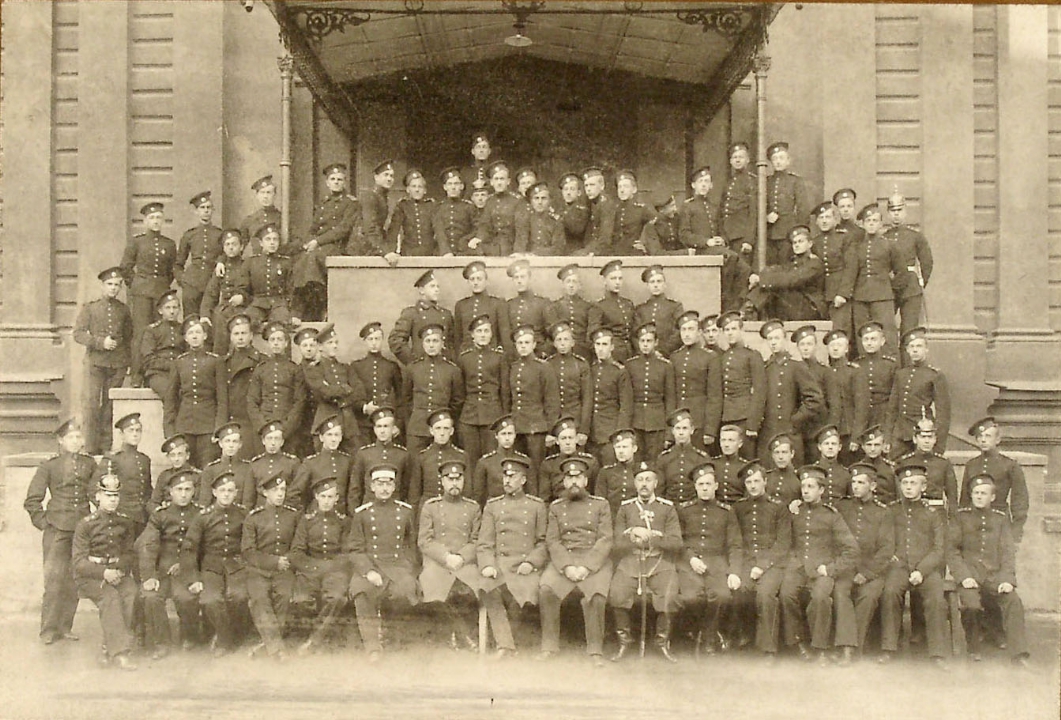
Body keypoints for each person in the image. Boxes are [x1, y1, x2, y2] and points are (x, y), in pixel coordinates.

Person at [24, 419, 97, 645]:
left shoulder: (90, 464)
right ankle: (48, 629)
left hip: (80, 529)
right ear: (61, 441)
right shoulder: (50, 466)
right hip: (56, 529)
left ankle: (66, 626)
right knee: (54, 580)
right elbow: (32, 500)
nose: (75, 441)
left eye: (78, 437)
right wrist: (45, 523)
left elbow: (96, 493)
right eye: (70, 437)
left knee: (74, 579)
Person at [779, 465, 858, 665]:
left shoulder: (831, 515)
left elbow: (852, 549)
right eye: (803, 486)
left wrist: (831, 569)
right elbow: (784, 541)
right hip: (797, 567)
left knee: (820, 598)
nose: (805, 491)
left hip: (822, 568)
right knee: (786, 594)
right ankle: (798, 643)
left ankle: (820, 647)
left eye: (811, 487)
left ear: (821, 490)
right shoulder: (794, 512)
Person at [948, 474, 1030, 667]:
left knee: (1013, 601)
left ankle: (1019, 652)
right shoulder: (961, 517)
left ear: (992, 497)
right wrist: (963, 576)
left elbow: (1007, 552)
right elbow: (952, 551)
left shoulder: (1000, 519)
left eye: (983, 493)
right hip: (970, 575)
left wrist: (1007, 579)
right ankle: (973, 647)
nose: (978, 496)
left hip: (994, 576)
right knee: (971, 606)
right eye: (975, 493)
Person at [539, 456, 614, 666]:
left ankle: (595, 650)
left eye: (578, 477)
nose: (574, 482)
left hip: (593, 561)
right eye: (569, 478)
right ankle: (549, 646)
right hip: (565, 560)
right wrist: (566, 567)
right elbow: (553, 541)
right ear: (564, 482)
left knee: (596, 596)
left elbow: (605, 539)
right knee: (546, 590)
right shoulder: (556, 507)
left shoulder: (601, 505)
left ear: (586, 481)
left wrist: (587, 567)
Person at [609, 463, 683, 662]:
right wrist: (632, 534)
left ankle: (662, 642)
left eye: (648, 480)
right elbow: (616, 542)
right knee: (617, 593)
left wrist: (651, 537)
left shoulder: (667, 508)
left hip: (659, 561)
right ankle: (624, 642)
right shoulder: (626, 508)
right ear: (634, 483)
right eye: (640, 480)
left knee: (669, 595)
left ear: (655, 483)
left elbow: (676, 542)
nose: (644, 484)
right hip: (631, 560)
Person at [345, 464, 420, 661]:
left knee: (404, 591)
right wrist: (368, 571)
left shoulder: (405, 512)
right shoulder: (362, 513)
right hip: (371, 565)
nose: (384, 488)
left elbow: (411, 546)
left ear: (394, 486)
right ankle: (373, 648)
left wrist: (407, 569)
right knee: (362, 592)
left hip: (397, 566)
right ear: (372, 486)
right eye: (380, 484)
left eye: (388, 484)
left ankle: (393, 640)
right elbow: (355, 548)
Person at [879, 463, 949, 668]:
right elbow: (885, 541)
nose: (908, 487)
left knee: (936, 599)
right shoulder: (891, 510)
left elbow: (939, 548)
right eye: (905, 483)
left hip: (926, 569)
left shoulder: (933, 513)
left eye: (913, 483)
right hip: (899, 567)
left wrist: (921, 570)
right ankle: (888, 648)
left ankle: (937, 653)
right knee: (890, 592)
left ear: (923, 487)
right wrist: (893, 558)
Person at [477, 456, 548, 656]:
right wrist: (488, 565)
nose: (507, 480)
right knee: (487, 588)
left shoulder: (537, 506)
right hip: (500, 564)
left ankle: (509, 644)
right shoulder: (493, 506)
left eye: (512, 476)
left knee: (523, 594)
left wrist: (531, 562)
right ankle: (506, 645)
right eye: (505, 476)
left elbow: (543, 542)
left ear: (523, 480)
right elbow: (484, 543)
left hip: (525, 564)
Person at [72, 472, 139, 670]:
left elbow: (129, 553)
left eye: (116, 495)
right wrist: (104, 573)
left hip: (117, 573)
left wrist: (118, 570)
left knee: (131, 593)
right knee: (110, 598)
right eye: (108, 495)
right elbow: (79, 562)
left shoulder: (125, 522)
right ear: (98, 496)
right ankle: (119, 653)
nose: (112, 500)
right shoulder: (86, 524)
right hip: (91, 577)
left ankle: (107, 647)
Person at [677, 462, 743, 656]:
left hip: (717, 562)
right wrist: (691, 558)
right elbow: (678, 541)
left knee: (722, 596)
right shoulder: (684, 510)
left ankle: (707, 636)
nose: (704, 488)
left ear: (716, 486)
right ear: (695, 487)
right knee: (690, 597)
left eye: (708, 484)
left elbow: (735, 545)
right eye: (700, 484)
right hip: (690, 563)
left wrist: (734, 571)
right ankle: (704, 631)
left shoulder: (727, 511)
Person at [182, 470, 250, 657]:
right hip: (211, 566)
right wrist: (193, 578)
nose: (226, 494)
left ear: (236, 493)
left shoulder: (243, 514)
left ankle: (232, 635)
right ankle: (225, 638)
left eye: (230, 490)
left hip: (236, 565)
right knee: (210, 599)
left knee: (239, 596)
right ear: (214, 492)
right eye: (222, 490)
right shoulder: (203, 517)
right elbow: (189, 549)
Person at [417, 460, 483, 650]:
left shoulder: (473, 508)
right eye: (450, 479)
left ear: (463, 481)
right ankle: (460, 637)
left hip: (464, 564)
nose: (454, 483)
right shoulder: (430, 507)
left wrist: (461, 557)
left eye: (458, 479)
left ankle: (459, 636)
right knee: (435, 591)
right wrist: (446, 557)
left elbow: (477, 540)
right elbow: (424, 541)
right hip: (438, 563)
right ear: (442, 481)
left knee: (470, 591)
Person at [136, 468, 202, 658]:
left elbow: (204, 547)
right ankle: (162, 642)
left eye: (188, 489)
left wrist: (189, 569)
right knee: (151, 597)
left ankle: (189, 636)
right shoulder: (160, 515)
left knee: (186, 597)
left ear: (194, 491)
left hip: (188, 570)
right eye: (179, 489)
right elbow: (148, 545)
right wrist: (149, 576)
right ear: (170, 492)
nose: (183, 494)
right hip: (163, 569)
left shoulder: (200, 514)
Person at [731, 461, 791, 660]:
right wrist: (736, 570)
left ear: (765, 481)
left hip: (772, 564)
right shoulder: (738, 507)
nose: (753, 486)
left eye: (757, 481)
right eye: (749, 482)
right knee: (738, 590)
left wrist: (762, 565)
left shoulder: (778, 507)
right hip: (747, 562)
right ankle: (746, 635)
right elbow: (735, 541)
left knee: (765, 595)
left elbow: (783, 544)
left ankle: (769, 648)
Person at [834, 463, 894, 655]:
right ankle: (846, 648)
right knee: (840, 593)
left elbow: (886, 549)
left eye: (861, 483)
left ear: (873, 486)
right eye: (853, 482)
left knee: (867, 597)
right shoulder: (842, 507)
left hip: (872, 570)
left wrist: (866, 573)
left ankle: (854, 648)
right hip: (846, 568)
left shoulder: (883, 512)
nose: (856, 486)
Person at [73, 266, 134, 454]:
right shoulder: (90, 308)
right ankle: (91, 448)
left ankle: (106, 447)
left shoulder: (123, 310)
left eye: (117, 285)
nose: (113, 288)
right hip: (95, 363)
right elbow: (78, 334)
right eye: (109, 284)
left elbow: (129, 337)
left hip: (117, 364)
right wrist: (100, 342)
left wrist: (127, 363)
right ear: (102, 286)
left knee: (110, 406)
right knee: (91, 404)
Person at [289, 476, 352, 655]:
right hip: (310, 568)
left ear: (336, 499)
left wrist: (332, 567)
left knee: (337, 598)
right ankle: (316, 633)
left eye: (330, 497)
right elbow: (296, 551)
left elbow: (347, 552)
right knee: (301, 600)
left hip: (335, 569)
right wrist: (312, 568)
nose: (326, 501)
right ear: (316, 497)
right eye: (323, 496)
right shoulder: (306, 521)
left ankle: (315, 640)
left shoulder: (344, 521)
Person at [241, 472, 300, 660]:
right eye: (275, 490)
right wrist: (274, 562)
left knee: (284, 596)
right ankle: (277, 649)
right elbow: (248, 551)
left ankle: (268, 645)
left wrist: (286, 561)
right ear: (265, 493)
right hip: (259, 570)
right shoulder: (253, 518)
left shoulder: (293, 515)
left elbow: (298, 546)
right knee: (260, 599)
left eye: (282, 489)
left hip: (284, 569)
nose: (280, 494)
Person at [291, 163, 359, 320]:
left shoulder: (350, 203)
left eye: (339, 179)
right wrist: (308, 243)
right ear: (327, 183)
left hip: (336, 246)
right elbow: (313, 228)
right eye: (333, 179)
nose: (336, 182)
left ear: (345, 182)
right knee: (300, 260)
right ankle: (303, 309)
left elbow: (343, 229)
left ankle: (318, 308)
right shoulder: (324, 203)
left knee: (312, 260)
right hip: (319, 246)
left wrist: (317, 242)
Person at [121, 202, 178, 385]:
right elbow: (126, 267)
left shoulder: (169, 244)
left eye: (159, 217)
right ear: (145, 221)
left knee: (161, 332)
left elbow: (171, 270)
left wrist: (162, 285)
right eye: (152, 218)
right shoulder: (137, 242)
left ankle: (155, 373)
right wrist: (137, 285)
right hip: (142, 294)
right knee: (140, 333)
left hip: (161, 293)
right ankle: (137, 375)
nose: (156, 221)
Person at [164, 315, 228, 468]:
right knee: (185, 470)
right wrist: (170, 431)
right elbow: (170, 398)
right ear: (185, 338)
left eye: (198, 332)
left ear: (205, 336)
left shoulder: (215, 361)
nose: (194, 336)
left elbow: (222, 399)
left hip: (208, 426)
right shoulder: (179, 362)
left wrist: (219, 429)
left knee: (207, 469)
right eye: (190, 333)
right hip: (184, 426)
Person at [758, 319, 823, 467]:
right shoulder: (765, 368)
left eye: (777, 338)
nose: (773, 342)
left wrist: (796, 420)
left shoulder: (797, 367)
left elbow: (815, 399)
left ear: (785, 339)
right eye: (770, 339)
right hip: (768, 435)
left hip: (791, 434)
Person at [840, 204, 904, 354]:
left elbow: (902, 272)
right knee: (862, 333)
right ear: (863, 224)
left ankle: (890, 363)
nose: (871, 224)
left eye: (875, 221)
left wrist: (890, 290)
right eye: (868, 221)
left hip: (883, 297)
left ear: (881, 224)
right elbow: (851, 272)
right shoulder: (857, 247)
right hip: (860, 297)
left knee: (887, 333)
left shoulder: (889, 245)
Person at [961, 417, 1030, 542]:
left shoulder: (1010, 465)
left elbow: (1020, 499)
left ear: (997, 439)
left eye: (988, 436)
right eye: (980, 436)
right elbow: (964, 499)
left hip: (999, 523)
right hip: (974, 523)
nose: (983, 440)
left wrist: (1016, 529)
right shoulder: (971, 465)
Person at [247, 322, 309, 458]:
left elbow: (300, 401)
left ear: (286, 343)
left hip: (287, 426)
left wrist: (286, 429)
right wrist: (262, 427)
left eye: (279, 339)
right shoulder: (261, 369)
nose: (276, 343)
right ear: (268, 343)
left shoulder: (294, 369)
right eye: (272, 340)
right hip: (264, 426)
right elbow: (252, 401)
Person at [303, 324, 368, 454]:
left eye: (336, 342)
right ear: (320, 347)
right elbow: (324, 392)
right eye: (330, 343)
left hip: (348, 420)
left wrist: (335, 390)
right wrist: (345, 388)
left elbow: (359, 392)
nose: (334, 346)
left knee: (354, 456)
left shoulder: (345, 368)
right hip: (326, 418)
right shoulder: (314, 369)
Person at [887, 327, 951, 457]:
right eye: (911, 347)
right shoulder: (901, 374)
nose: (915, 350)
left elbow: (943, 413)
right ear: (907, 350)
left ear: (926, 349)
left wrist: (938, 445)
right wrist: (888, 437)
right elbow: (892, 408)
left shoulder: (934, 375)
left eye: (919, 346)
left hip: (923, 431)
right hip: (901, 433)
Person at [402, 323, 465, 456]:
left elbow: (457, 401)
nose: (431, 345)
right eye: (428, 341)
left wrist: (445, 419)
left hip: (442, 427)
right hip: (417, 428)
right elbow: (406, 399)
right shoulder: (412, 368)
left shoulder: (452, 370)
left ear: (442, 343)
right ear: (422, 344)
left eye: (435, 341)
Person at [883, 190, 933, 353]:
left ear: (905, 212)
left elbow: (927, 262)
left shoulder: (915, 236)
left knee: (909, 329)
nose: (896, 215)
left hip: (910, 288)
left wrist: (919, 283)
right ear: (888, 213)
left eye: (899, 210)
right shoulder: (883, 237)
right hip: (890, 286)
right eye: (893, 211)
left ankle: (908, 363)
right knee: (887, 327)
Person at [456, 314, 508, 467]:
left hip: (493, 415)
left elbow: (505, 391)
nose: (483, 335)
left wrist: (503, 419)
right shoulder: (464, 358)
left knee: (492, 461)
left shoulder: (499, 357)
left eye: (486, 331)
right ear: (472, 335)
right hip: (469, 417)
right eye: (479, 331)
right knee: (470, 460)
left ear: (491, 334)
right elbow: (459, 392)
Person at [507, 324, 560, 473]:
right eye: (520, 343)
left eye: (527, 342)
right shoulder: (514, 367)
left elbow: (552, 402)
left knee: (536, 469)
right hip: (517, 427)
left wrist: (550, 431)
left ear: (534, 344)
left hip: (537, 427)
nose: (523, 346)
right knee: (518, 468)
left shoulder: (543, 367)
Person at [745, 225, 825, 322]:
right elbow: (775, 271)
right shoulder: (793, 262)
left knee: (774, 285)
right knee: (772, 281)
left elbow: (791, 280)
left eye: (800, 241)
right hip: (795, 305)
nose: (796, 245)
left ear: (810, 244)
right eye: (794, 243)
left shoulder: (814, 263)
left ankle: (748, 310)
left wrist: (761, 280)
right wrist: (759, 277)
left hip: (810, 308)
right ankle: (749, 310)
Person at [670, 311, 723, 453]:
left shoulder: (710, 357)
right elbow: (671, 395)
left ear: (699, 332)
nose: (686, 334)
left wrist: (710, 429)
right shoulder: (675, 357)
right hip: (679, 421)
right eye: (683, 330)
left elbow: (715, 396)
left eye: (691, 329)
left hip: (700, 421)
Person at [625, 322, 676, 462]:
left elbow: (670, 400)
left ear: (656, 343)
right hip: (635, 422)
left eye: (649, 341)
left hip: (657, 422)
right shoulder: (630, 365)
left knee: (655, 462)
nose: (645, 345)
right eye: (642, 341)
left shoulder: (665, 366)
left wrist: (669, 433)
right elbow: (627, 399)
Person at [718, 311, 766, 459]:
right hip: (725, 416)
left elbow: (760, 391)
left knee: (746, 459)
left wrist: (753, 423)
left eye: (733, 329)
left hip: (744, 417)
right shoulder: (722, 357)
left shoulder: (752, 355)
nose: (730, 333)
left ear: (741, 330)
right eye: (726, 330)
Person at [350, 407, 417, 507]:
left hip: (395, 509)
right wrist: (355, 513)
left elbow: (407, 487)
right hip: (369, 509)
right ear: (374, 429)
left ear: (393, 429)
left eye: (386, 426)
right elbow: (355, 489)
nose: (382, 431)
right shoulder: (364, 454)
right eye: (379, 426)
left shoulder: (403, 455)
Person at [585, 328, 634, 465]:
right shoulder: (592, 369)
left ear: (612, 347)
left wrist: (619, 434)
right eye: (598, 344)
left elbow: (626, 406)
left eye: (604, 344)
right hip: (592, 432)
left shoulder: (620, 372)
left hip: (610, 431)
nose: (600, 349)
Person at [790, 326, 839, 461]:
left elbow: (834, 404)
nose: (806, 348)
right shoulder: (793, 369)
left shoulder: (825, 371)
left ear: (816, 346)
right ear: (798, 347)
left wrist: (829, 431)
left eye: (809, 344)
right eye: (802, 345)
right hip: (798, 430)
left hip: (818, 430)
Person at [238, 223, 299, 332]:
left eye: (275, 239)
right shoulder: (251, 262)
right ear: (261, 243)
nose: (272, 242)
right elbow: (243, 288)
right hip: (257, 304)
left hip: (279, 304)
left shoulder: (286, 262)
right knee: (246, 322)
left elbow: (292, 290)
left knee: (281, 323)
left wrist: (294, 313)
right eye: (268, 239)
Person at [389, 270, 457, 366]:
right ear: (421, 290)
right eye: (432, 286)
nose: (437, 290)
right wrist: (413, 362)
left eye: (438, 286)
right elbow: (395, 341)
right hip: (421, 368)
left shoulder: (446, 314)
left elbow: (452, 343)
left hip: (444, 367)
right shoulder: (412, 313)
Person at [350, 322, 403, 441]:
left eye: (377, 339)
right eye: (370, 339)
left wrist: (398, 424)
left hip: (386, 422)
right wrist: (364, 407)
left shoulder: (391, 366)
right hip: (363, 424)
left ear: (382, 340)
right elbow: (352, 396)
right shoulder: (356, 366)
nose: (374, 343)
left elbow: (401, 398)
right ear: (365, 341)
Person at [811, 202, 855, 345]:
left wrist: (843, 293)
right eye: (821, 218)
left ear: (835, 219)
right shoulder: (814, 242)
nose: (824, 221)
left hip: (838, 293)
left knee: (840, 332)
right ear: (816, 222)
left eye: (828, 217)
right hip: (822, 293)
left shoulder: (844, 238)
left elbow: (851, 267)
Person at [177, 191, 223, 325]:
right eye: (202, 208)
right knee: (191, 321)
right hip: (192, 285)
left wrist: (220, 262)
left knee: (210, 320)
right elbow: (178, 263)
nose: (206, 211)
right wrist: (183, 280)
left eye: (208, 207)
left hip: (211, 283)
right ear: (196, 211)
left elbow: (225, 254)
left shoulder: (219, 234)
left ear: (213, 210)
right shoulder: (189, 235)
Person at [293, 416, 355, 515]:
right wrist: (304, 516)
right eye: (329, 435)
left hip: (341, 517)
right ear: (321, 438)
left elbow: (353, 492)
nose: (333, 439)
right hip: (317, 517)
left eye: (336, 435)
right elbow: (295, 493)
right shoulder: (311, 463)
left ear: (341, 437)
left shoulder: (347, 461)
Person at [200, 229, 248, 356]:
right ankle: (220, 358)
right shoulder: (221, 268)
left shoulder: (248, 265)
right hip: (224, 309)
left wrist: (243, 298)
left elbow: (257, 291)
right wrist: (205, 314)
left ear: (241, 247)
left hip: (244, 308)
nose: (231, 247)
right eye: (227, 244)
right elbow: (211, 293)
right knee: (217, 318)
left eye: (234, 244)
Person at [222, 314, 264, 459]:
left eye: (244, 333)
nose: (240, 337)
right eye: (236, 334)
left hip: (252, 423)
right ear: (231, 337)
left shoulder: (262, 361)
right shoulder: (224, 363)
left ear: (251, 335)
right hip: (233, 421)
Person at [894, 417, 957, 512]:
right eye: (923, 437)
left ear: (935, 439)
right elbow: (899, 493)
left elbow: (952, 496)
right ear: (915, 439)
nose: (927, 441)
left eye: (930, 437)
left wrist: (953, 518)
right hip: (912, 511)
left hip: (937, 512)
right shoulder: (904, 462)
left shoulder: (943, 463)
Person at [104, 412, 153, 533]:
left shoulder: (144, 459)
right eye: (131, 430)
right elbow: (94, 489)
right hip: (121, 517)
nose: (135, 434)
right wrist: (110, 511)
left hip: (142, 517)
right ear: (122, 434)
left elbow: (147, 489)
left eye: (138, 430)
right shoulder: (113, 458)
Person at [850, 321, 898, 443]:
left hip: (883, 415)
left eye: (873, 339)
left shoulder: (891, 365)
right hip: (861, 417)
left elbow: (895, 395)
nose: (869, 343)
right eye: (866, 339)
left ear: (882, 341)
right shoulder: (856, 364)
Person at [471, 415, 535, 505]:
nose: (507, 438)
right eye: (503, 434)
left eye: (510, 434)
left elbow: (532, 494)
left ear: (515, 435)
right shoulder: (485, 462)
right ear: (496, 436)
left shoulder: (526, 461)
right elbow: (479, 495)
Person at [412, 410, 470, 506]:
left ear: (452, 431)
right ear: (431, 431)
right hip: (428, 507)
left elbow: (467, 491)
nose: (442, 433)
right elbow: (415, 492)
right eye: (438, 428)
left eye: (446, 428)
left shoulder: (461, 456)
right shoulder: (422, 457)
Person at [545, 322, 592, 439]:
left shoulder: (581, 364)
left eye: (566, 339)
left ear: (572, 342)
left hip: (575, 420)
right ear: (554, 343)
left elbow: (587, 399)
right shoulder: (548, 364)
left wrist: (584, 430)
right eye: (559, 340)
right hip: (553, 421)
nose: (562, 343)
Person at [764, 142, 808, 265]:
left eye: (781, 158)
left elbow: (803, 209)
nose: (778, 162)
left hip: (788, 233)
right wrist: (766, 217)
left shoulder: (795, 181)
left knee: (787, 265)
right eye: (775, 159)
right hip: (769, 233)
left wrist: (799, 234)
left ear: (788, 161)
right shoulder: (766, 181)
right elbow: (759, 206)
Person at [454, 261, 510, 354]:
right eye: (472, 279)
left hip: (491, 356)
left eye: (479, 279)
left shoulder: (497, 304)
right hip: (468, 357)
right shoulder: (461, 306)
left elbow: (505, 338)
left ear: (486, 281)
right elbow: (457, 338)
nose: (475, 283)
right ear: (468, 282)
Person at [538, 417, 599, 502]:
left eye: (570, 438)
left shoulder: (591, 462)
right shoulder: (548, 464)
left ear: (576, 439)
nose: (567, 442)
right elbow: (545, 497)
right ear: (557, 441)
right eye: (563, 438)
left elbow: (596, 495)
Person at [469, 161, 523, 256]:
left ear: (508, 181)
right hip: (492, 247)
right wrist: (479, 238)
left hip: (510, 247)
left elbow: (521, 230)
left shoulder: (517, 201)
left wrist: (518, 251)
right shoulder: (489, 201)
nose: (499, 183)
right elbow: (485, 225)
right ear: (491, 182)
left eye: (502, 179)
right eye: (496, 179)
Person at [139, 289, 185, 398]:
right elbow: (148, 359)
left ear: (179, 309)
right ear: (160, 311)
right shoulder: (152, 330)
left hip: (180, 374)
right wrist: (172, 365)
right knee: (169, 391)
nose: (172, 311)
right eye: (168, 308)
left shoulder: (183, 330)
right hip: (158, 374)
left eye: (175, 307)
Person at [198, 422, 255, 509]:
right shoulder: (210, 470)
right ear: (220, 443)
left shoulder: (248, 468)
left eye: (235, 441)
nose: (231, 445)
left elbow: (248, 502)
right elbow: (205, 502)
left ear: (240, 444)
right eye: (227, 441)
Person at [589, 259, 635, 363]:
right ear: (605, 281)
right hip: (612, 356)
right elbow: (592, 336)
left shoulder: (628, 304)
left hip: (630, 354)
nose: (617, 282)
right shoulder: (598, 306)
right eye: (613, 278)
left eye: (620, 278)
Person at [545, 264, 594, 362]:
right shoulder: (554, 307)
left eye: (574, 282)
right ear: (563, 285)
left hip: (582, 351)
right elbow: (552, 333)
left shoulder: (588, 307)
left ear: (579, 285)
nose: (571, 285)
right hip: (560, 351)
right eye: (568, 281)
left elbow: (590, 333)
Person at [823, 329, 859, 461]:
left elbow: (861, 407)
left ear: (846, 349)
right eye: (832, 345)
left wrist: (856, 436)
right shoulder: (825, 373)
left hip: (848, 431)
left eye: (839, 345)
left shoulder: (854, 372)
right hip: (830, 431)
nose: (835, 348)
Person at [633, 266, 685, 356]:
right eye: (652, 282)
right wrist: (645, 351)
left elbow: (678, 332)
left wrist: (663, 351)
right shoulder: (640, 309)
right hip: (645, 355)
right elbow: (634, 335)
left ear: (664, 284)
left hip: (668, 355)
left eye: (659, 281)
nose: (656, 285)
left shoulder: (675, 306)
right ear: (647, 286)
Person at [505, 259, 552, 357]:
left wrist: (544, 351)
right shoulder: (509, 305)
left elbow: (551, 332)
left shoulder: (542, 303)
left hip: (538, 354)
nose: (519, 281)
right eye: (516, 278)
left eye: (522, 277)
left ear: (530, 279)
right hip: (515, 355)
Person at [720, 142, 757, 262]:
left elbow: (753, 213)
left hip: (742, 237)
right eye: (734, 157)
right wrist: (723, 235)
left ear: (747, 160)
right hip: (728, 236)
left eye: (741, 157)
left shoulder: (752, 181)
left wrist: (748, 240)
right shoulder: (729, 182)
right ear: (731, 161)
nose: (737, 160)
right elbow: (722, 211)